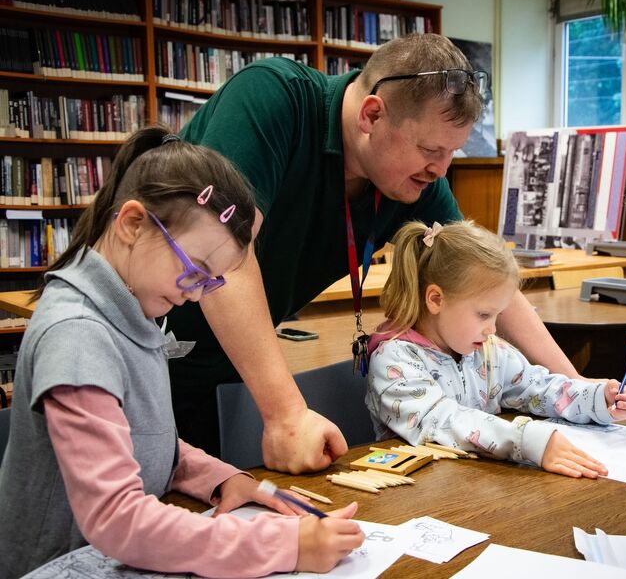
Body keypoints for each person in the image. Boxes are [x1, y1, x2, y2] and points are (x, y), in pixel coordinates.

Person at [166, 33, 596, 473]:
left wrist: (574, 383)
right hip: (139, 343)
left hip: (223, 361)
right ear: (372, 114)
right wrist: (287, 415)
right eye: (430, 150)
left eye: (452, 153)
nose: (441, 170)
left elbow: (483, 277)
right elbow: (222, 254)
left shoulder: (410, 178)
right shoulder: (274, 98)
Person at [0, 127, 364, 578]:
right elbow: (118, 519)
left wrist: (222, 478)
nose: (196, 295)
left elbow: (142, 441)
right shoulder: (77, 336)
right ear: (133, 224)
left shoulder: (129, 311)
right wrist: (280, 544)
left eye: (210, 282)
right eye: (194, 271)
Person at [364, 220, 626, 478]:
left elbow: (536, 387)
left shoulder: (486, 350)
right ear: (436, 299)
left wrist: (595, 399)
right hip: (419, 497)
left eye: (497, 315)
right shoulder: (394, 359)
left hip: (479, 484)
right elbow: (444, 421)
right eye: (484, 315)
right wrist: (526, 440)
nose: (493, 329)